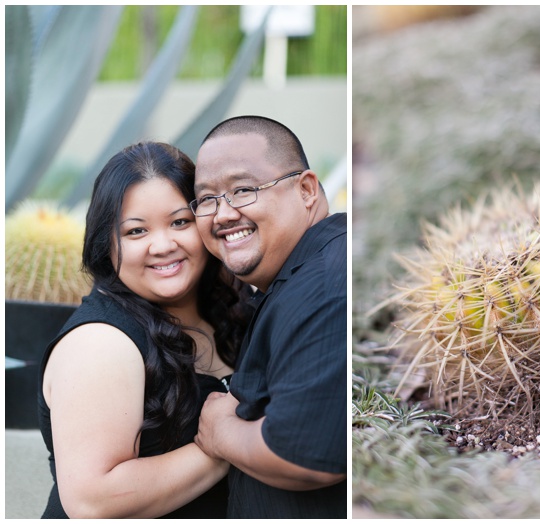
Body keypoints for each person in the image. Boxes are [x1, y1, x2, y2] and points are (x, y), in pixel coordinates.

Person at [38, 142, 253, 518]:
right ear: (107, 243)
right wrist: (225, 446)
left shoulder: (230, 305)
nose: (163, 245)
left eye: (180, 222)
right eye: (137, 231)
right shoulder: (100, 344)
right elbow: (93, 501)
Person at [191, 115, 347, 518]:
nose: (222, 214)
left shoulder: (326, 283)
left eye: (243, 190)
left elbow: (307, 455)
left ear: (307, 190)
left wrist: (220, 431)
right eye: (206, 199)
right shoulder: (294, 278)